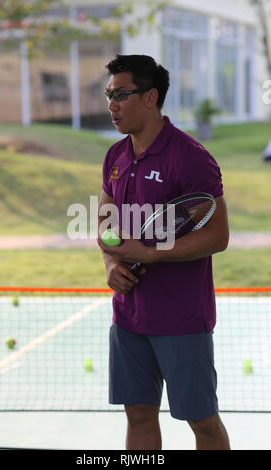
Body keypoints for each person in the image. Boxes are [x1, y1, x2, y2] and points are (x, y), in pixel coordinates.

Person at [97, 54, 230, 451]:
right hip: (129, 315)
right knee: (137, 414)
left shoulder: (190, 158)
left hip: (181, 317)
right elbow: (105, 223)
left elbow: (217, 236)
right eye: (108, 94)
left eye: (121, 93)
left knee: (201, 420)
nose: (111, 104)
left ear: (151, 97)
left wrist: (151, 254)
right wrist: (110, 263)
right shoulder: (116, 156)